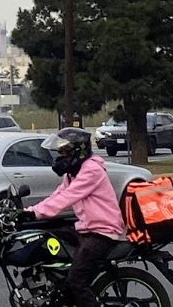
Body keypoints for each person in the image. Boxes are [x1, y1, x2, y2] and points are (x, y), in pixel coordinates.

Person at [25, 127, 125, 307]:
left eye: (63, 152)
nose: (60, 157)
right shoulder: (74, 173)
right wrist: (29, 212)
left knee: (77, 280)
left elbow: (66, 198)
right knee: (46, 237)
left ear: (77, 151)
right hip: (86, 228)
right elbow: (56, 195)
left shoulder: (91, 171)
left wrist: (35, 213)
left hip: (103, 232)